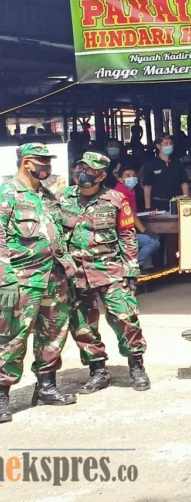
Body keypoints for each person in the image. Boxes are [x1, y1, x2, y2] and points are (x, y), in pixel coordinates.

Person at [0, 143, 80, 422]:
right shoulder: (6, 194)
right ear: (26, 163)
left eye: (48, 161)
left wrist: (70, 272)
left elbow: (58, 235)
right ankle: (2, 396)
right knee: (12, 337)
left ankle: (46, 386)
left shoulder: (47, 196)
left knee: (54, 333)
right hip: (22, 279)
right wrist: (5, 278)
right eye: (42, 161)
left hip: (54, 277)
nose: (47, 166)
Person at [60, 152, 150, 394]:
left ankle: (136, 365)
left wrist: (131, 270)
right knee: (82, 324)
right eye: (80, 168)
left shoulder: (116, 200)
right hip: (76, 273)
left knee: (125, 318)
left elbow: (127, 236)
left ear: (101, 175)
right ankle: (98, 370)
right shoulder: (63, 198)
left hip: (110, 270)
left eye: (88, 170)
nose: (82, 174)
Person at [113, 164, 159, 270]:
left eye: (133, 175)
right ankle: (136, 266)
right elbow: (131, 213)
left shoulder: (130, 190)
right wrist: (143, 230)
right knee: (153, 242)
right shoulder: (120, 192)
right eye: (127, 175)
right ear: (120, 179)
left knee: (154, 239)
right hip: (121, 234)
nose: (131, 178)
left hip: (127, 231)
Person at [141, 135, 187, 212]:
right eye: (166, 143)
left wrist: (187, 201)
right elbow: (147, 186)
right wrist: (147, 207)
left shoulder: (177, 163)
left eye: (170, 143)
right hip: (158, 203)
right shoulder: (150, 164)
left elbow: (184, 183)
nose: (169, 145)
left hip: (176, 202)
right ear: (158, 146)